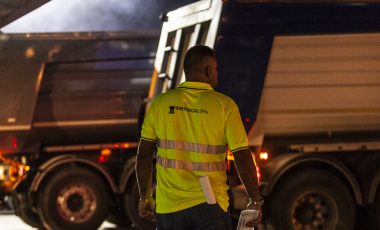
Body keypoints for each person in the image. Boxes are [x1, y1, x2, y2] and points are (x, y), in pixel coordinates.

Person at [135, 45, 262, 230]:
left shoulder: (160, 104)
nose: (217, 74)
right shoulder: (224, 105)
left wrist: (145, 197)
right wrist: (255, 200)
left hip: (169, 206)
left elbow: (144, 155)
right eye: (216, 69)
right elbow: (242, 156)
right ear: (209, 70)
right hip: (210, 204)